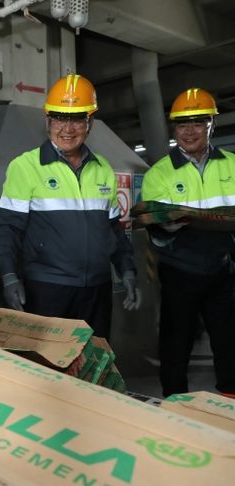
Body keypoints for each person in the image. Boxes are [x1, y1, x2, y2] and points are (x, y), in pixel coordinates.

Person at [0, 74, 140, 339]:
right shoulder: (25, 167)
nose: (68, 129)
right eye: (60, 118)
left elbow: (113, 231)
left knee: (95, 357)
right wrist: (9, 275)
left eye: (77, 119)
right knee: (50, 361)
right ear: (48, 121)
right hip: (47, 288)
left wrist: (127, 270)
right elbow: (7, 230)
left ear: (90, 123)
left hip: (97, 289)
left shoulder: (102, 169)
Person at [141, 87, 235, 398]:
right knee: (175, 345)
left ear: (211, 124)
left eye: (198, 123)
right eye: (182, 124)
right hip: (179, 271)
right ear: (174, 129)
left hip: (223, 269)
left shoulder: (232, 165)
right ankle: (175, 406)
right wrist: (165, 223)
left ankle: (230, 405)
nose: (190, 131)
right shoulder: (159, 174)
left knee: (229, 343)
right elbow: (153, 225)